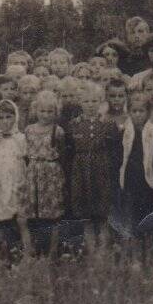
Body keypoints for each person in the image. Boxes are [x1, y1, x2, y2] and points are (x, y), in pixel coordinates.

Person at [67, 82, 119, 230]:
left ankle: (103, 246)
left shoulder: (108, 124)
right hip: (80, 169)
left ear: (101, 101)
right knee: (84, 209)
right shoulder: (73, 124)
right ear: (80, 102)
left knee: (102, 207)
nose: (90, 105)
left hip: (102, 168)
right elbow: (70, 151)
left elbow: (114, 149)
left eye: (94, 101)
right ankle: (89, 245)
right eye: (86, 101)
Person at [20, 91, 65, 253]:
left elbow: (61, 152)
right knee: (30, 213)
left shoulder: (57, 131)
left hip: (51, 174)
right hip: (32, 172)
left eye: (49, 111)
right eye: (42, 111)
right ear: (36, 110)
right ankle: (31, 249)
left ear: (55, 112)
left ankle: (52, 252)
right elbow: (25, 153)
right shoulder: (29, 130)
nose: (45, 115)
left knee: (52, 215)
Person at [0, 99, 28, 256]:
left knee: (21, 219)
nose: (5, 122)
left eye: (8, 117)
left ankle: (27, 255)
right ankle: (5, 254)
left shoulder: (21, 139)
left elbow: (26, 162)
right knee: (0, 219)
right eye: (0, 118)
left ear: (16, 117)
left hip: (17, 182)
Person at [116, 92, 153, 237]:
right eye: (134, 111)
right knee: (131, 208)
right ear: (128, 112)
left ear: (148, 112)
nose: (138, 115)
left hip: (146, 176)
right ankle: (131, 239)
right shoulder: (124, 131)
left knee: (147, 208)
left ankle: (147, 239)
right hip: (130, 176)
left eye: (141, 111)